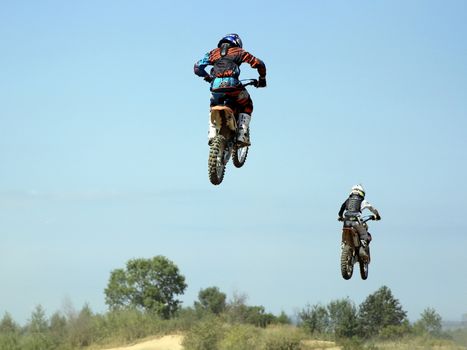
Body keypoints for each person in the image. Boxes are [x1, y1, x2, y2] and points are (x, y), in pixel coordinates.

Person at [194, 33, 267, 146]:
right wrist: (262, 79)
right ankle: (242, 134)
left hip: (216, 87)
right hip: (233, 86)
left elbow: (197, 67)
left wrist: (208, 77)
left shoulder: (213, 53)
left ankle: (212, 133)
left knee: (213, 106)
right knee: (247, 104)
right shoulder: (239, 52)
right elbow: (259, 64)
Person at [338, 184, 381, 258]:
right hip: (356, 221)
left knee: (344, 238)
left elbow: (341, 209)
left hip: (346, 221)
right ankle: (362, 248)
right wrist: (377, 215)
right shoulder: (362, 201)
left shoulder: (347, 200)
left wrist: (340, 217)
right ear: (362, 193)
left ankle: (343, 246)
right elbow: (371, 208)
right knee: (365, 235)